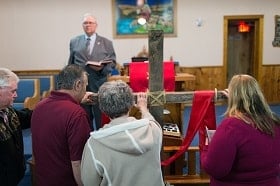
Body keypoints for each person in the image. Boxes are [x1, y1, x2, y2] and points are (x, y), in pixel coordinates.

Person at [80, 80, 164, 186]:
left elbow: (89, 182)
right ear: (130, 105)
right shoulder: (152, 130)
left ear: (103, 110)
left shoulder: (93, 144)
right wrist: (143, 108)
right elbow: (151, 121)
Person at [201, 74, 280, 186]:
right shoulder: (274, 122)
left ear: (233, 97)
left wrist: (206, 147)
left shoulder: (231, 126)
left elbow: (215, 169)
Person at [31, 64, 92, 186]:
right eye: (85, 85)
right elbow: (78, 162)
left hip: (43, 179)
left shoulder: (39, 106)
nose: (86, 90)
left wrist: (77, 101)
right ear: (78, 85)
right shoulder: (77, 114)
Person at [68, 13, 116, 131]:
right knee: (83, 115)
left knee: (100, 114)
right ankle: (85, 139)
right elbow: (71, 62)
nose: (88, 25)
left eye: (90, 23)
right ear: (82, 25)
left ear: (96, 25)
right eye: (85, 23)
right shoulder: (74, 41)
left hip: (99, 82)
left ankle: (101, 137)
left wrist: (102, 68)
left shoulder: (106, 42)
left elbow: (113, 62)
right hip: (80, 84)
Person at [0, 67, 32, 186]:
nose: (16, 95)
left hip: (14, 177)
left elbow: (29, 117)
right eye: (12, 91)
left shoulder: (8, 111)